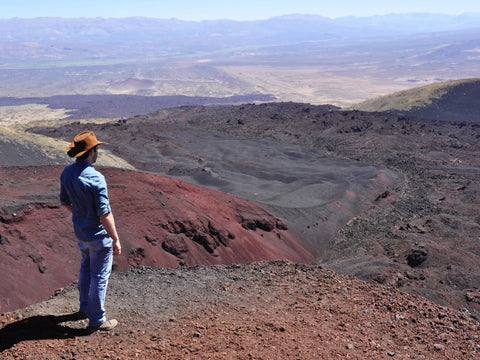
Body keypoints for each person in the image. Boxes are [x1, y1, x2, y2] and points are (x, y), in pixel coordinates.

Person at [60, 130, 121, 332]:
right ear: (91, 152)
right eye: (96, 149)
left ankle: (84, 307)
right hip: (98, 236)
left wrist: (81, 214)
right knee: (100, 275)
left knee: (86, 267)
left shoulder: (67, 173)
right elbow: (105, 213)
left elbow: (64, 202)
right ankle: (97, 319)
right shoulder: (96, 178)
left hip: (81, 232)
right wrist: (115, 238)